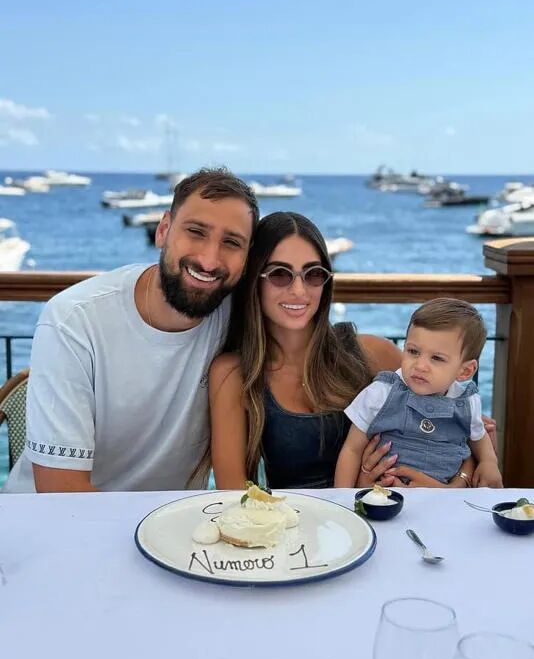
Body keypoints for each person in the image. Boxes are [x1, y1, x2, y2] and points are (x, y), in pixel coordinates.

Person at [3, 168, 259, 493]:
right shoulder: (75, 320)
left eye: (231, 243)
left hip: (167, 519)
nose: (209, 260)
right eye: (196, 232)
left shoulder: (241, 318)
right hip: (54, 517)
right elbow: (61, 490)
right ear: (163, 230)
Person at [207, 213, 480, 490]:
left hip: (389, 510)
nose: (299, 290)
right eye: (280, 274)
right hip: (294, 515)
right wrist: (357, 488)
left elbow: (467, 434)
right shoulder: (233, 374)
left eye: (313, 274)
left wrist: (454, 485)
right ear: (254, 280)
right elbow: (233, 494)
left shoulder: (374, 354)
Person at [335, 298, 503, 488]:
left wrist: (489, 462)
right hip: (386, 493)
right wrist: (342, 497)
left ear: (465, 371)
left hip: (447, 498)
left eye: (436, 358)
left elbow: (479, 437)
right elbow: (352, 449)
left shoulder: (466, 402)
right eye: (413, 351)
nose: (420, 366)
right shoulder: (382, 392)